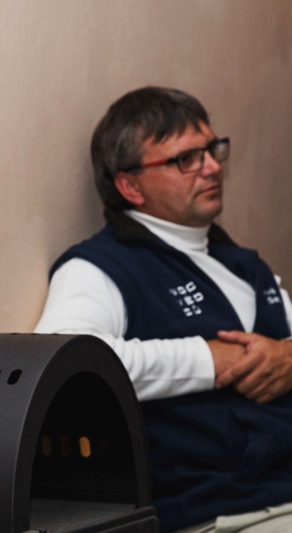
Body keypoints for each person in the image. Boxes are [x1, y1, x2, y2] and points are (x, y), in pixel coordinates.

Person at [35, 86, 292, 532]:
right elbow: (63, 361)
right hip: (213, 512)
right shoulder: (98, 267)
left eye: (211, 149)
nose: (212, 167)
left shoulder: (242, 264)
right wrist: (207, 359)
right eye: (185, 159)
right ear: (130, 186)